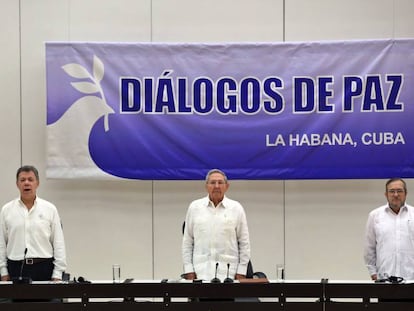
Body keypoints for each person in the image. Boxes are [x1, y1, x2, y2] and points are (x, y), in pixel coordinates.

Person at [0, 165, 67, 282]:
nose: (26, 183)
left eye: (30, 180)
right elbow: (1, 243)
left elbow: (58, 242)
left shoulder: (50, 209)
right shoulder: (7, 210)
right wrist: (3, 271)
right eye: (22, 180)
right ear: (17, 184)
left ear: (37, 183)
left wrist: (57, 273)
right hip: (16, 268)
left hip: (44, 267)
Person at [182, 169, 250, 281]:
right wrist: (188, 269)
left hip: (228, 274)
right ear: (206, 186)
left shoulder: (236, 208)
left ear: (227, 186)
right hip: (200, 273)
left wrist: (241, 271)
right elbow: (187, 241)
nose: (216, 186)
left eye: (220, 182)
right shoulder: (194, 208)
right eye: (213, 183)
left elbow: (244, 243)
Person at [364, 177, 414, 281]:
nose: (396, 195)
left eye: (399, 191)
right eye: (392, 191)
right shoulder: (375, 216)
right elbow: (369, 248)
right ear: (386, 194)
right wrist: (373, 273)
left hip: (411, 279)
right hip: (384, 280)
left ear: (406, 193)